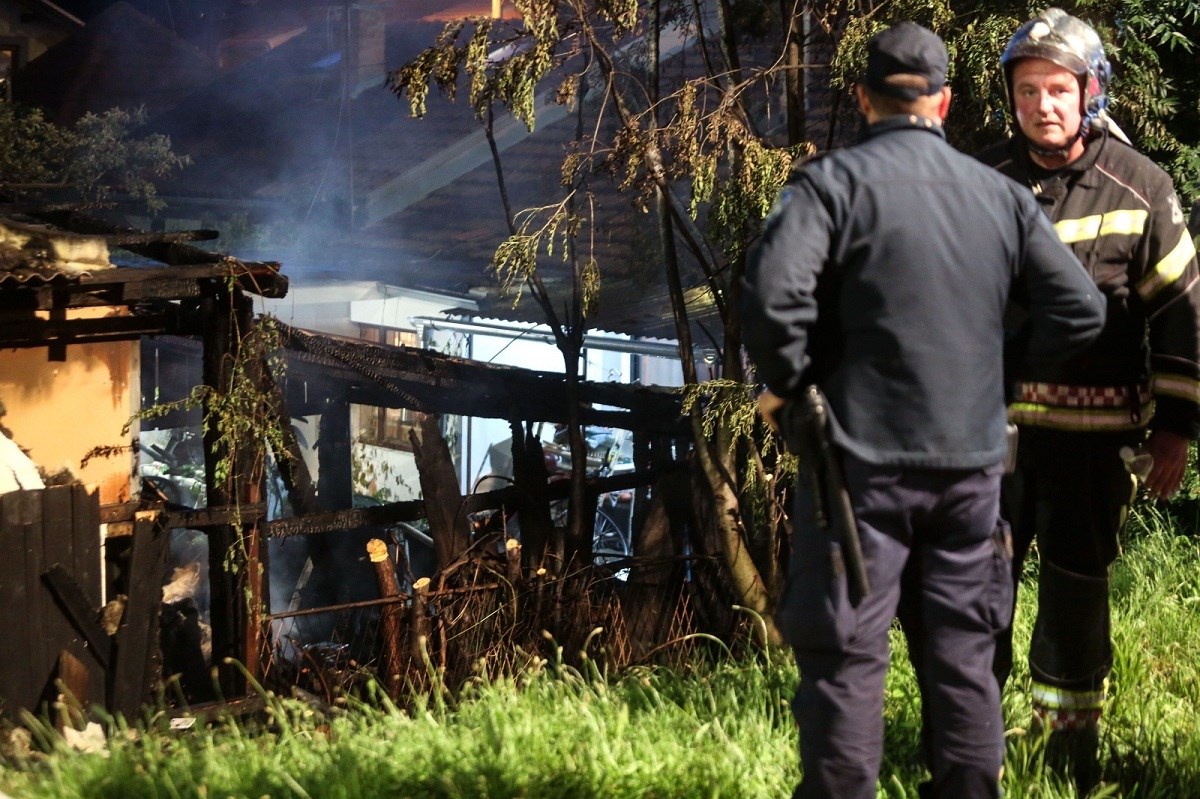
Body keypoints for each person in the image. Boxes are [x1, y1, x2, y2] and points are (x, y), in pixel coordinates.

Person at [741, 22, 1107, 799]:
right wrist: (997, 372)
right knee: (963, 654)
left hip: (857, 467)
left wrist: (793, 386)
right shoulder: (1001, 196)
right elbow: (1080, 310)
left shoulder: (828, 188)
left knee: (847, 658)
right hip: (973, 469)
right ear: (943, 102)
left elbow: (774, 301)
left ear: (864, 98)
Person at [976, 8, 1200, 790]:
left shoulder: (1142, 187)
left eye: (1058, 89)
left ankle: (1068, 766)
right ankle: (971, 759)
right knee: (976, 601)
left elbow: (1182, 313)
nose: (1041, 104)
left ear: (1090, 91)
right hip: (988, 448)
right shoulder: (979, 182)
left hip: (1093, 444)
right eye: (1027, 89)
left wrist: (1175, 429)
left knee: (1076, 602)